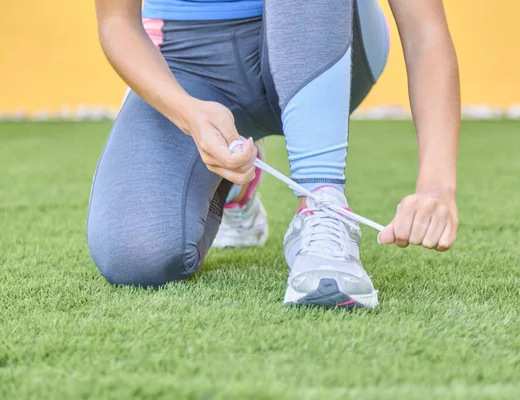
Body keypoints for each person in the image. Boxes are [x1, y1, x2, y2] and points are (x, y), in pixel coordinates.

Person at [88, 0, 460, 308]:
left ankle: (323, 207)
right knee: (134, 256)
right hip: (186, 62)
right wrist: (186, 113)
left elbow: (424, 31)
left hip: (329, 36)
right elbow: (117, 21)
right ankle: (232, 187)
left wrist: (436, 186)